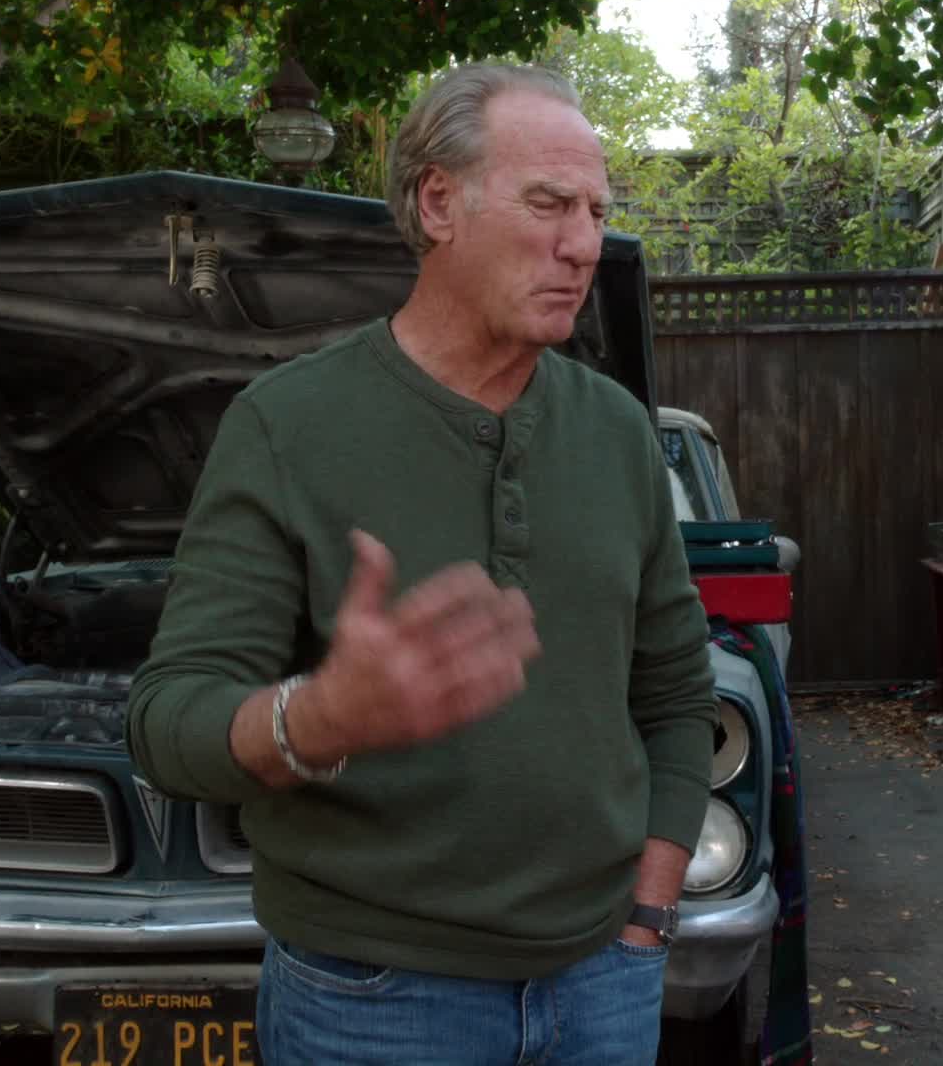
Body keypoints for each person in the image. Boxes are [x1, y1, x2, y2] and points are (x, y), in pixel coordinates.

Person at [126, 63, 718, 1065]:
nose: (584, 243)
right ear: (438, 202)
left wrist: (648, 918)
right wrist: (319, 718)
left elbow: (676, 694)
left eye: (595, 211)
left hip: (603, 984)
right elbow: (165, 721)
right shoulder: (288, 426)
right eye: (548, 203)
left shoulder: (619, 433)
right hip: (371, 1001)